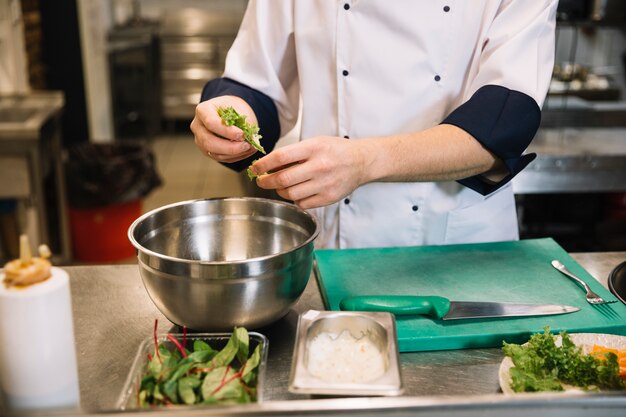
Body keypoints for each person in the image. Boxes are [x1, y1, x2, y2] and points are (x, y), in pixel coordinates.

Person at [191, 1, 558, 249]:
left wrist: (364, 161)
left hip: (454, 243)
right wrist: (232, 116)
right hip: (335, 239)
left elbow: (503, 123)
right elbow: (257, 81)